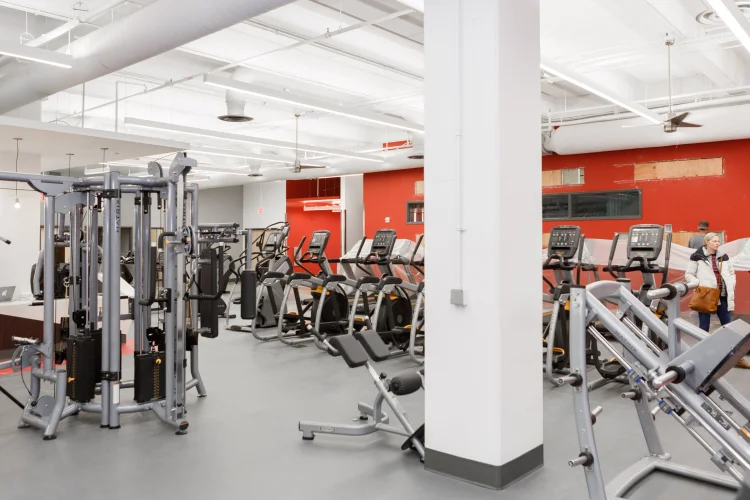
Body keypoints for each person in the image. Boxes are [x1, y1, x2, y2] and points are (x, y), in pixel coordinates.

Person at [685, 232, 735, 331]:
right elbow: (689, 274)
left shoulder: (724, 256)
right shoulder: (697, 256)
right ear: (707, 242)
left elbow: (731, 273)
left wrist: (732, 284)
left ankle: (730, 346)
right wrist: (699, 284)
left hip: (722, 295)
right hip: (705, 295)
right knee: (704, 326)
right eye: (714, 241)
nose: (717, 243)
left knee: (728, 325)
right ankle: (703, 345)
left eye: (718, 241)